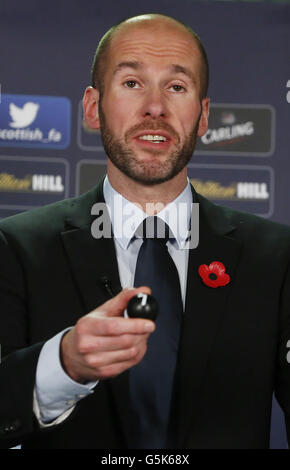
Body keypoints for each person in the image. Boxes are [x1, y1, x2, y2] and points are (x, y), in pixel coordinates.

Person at [0, 13, 290, 450]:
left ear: (204, 115)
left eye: (176, 87)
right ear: (93, 107)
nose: (155, 107)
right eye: (132, 83)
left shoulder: (277, 257)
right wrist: (65, 363)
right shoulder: (17, 248)